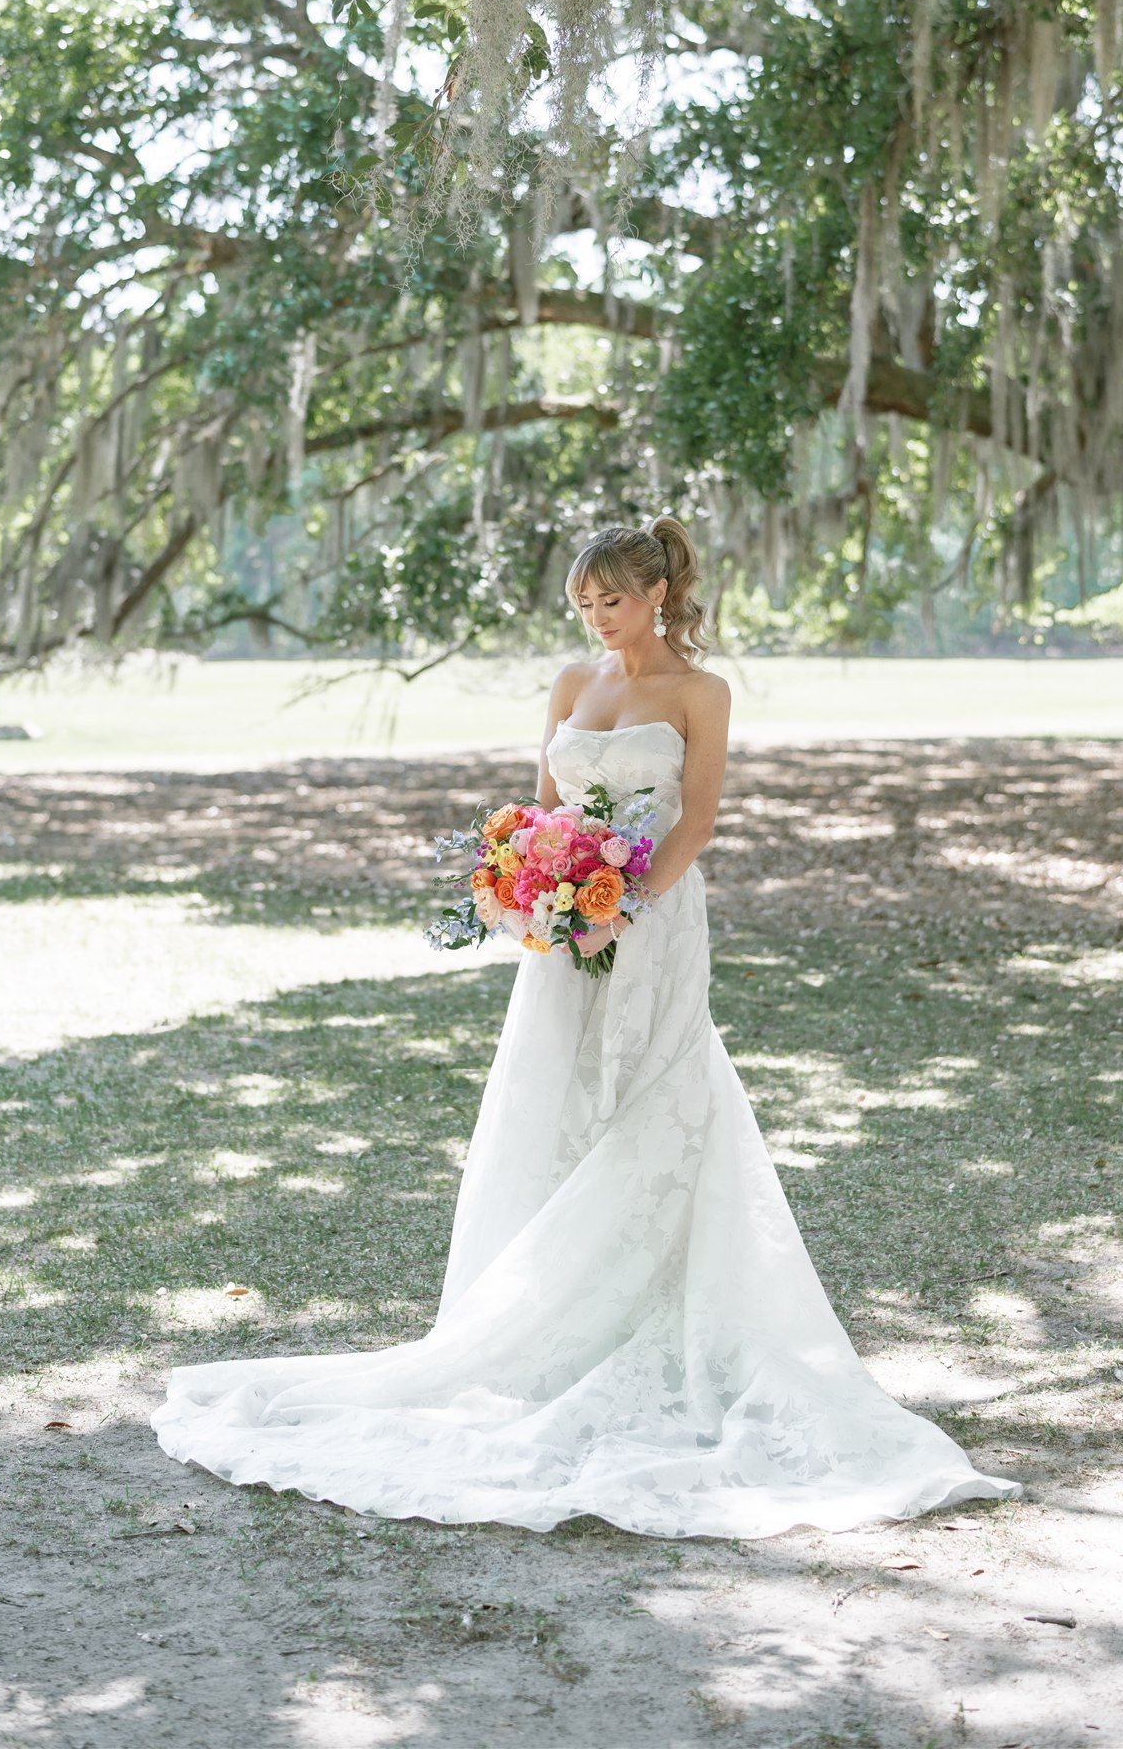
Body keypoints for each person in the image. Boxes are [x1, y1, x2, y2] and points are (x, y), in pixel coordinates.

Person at [153, 518, 1017, 1536]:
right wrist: (522, 885)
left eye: (612, 599)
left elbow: (696, 819)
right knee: (558, 1091)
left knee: (654, 1083)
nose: (598, 617)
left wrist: (626, 904)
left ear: (657, 594)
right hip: (562, 933)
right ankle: (540, 1311)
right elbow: (538, 814)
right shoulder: (571, 683)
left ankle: (660, 1304)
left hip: (655, 917)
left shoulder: (701, 692)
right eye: (583, 603)